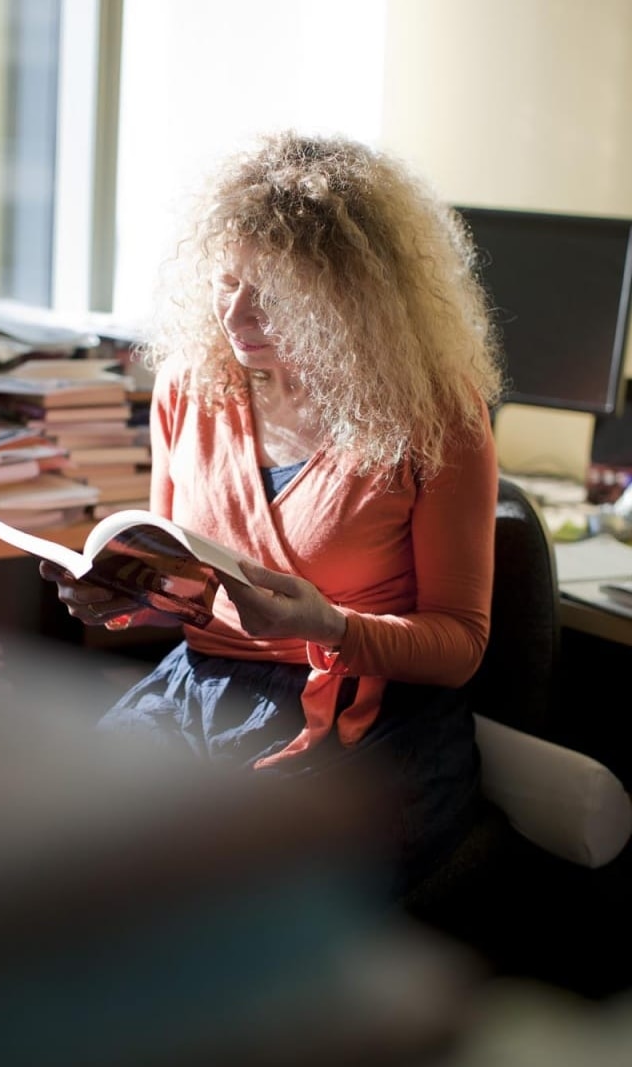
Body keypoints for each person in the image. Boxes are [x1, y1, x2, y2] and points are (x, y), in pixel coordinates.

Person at [41, 130, 505, 893]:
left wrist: (326, 626)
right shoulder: (191, 385)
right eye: (226, 281)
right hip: (201, 686)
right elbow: (183, 584)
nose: (237, 312)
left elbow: (460, 644)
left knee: (208, 891)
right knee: (43, 841)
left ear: (351, 298)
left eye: (275, 292)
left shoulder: (433, 414)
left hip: (371, 719)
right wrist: (123, 595)